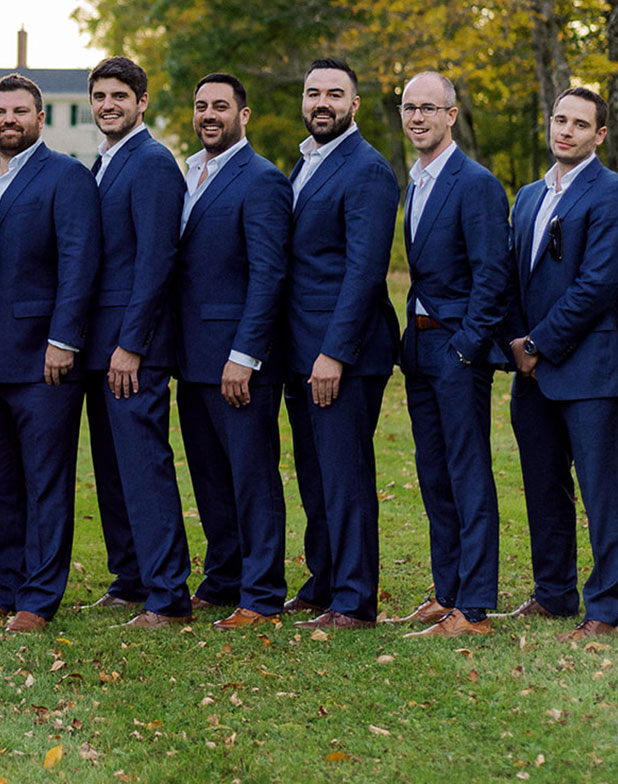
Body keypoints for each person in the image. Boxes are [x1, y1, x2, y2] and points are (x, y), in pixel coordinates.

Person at [0, 74, 101, 634]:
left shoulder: (65, 177)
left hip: (44, 357)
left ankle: (39, 598)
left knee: (45, 480)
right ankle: (7, 584)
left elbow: (79, 263)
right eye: (0, 111)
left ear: (39, 118)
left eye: (20, 111)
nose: (9, 119)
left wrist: (63, 341)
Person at [505, 87, 618, 641]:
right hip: (529, 371)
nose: (566, 131)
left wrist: (538, 346)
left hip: (588, 369)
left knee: (599, 490)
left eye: (579, 124)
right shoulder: (529, 196)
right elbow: (513, 275)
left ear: (599, 135)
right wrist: (517, 341)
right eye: (560, 119)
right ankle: (553, 593)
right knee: (543, 486)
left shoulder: (615, 196)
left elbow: (596, 287)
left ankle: (604, 608)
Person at [391, 71, 513, 639]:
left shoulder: (475, 183)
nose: (417, 117)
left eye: (428, 109)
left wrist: (466, 347)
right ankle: (447, 593)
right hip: (419, 348)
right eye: (409, 108)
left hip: (457, 348)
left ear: (451, 114)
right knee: (434, 474)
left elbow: (493, 276)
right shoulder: (416, 180)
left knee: (467, 474)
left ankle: (477, 608)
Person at [283, 58, 401, 631]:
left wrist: (334, 353)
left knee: (345, 475)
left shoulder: (367, 169)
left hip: (343, 355)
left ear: (354, 104)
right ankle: (324, 581)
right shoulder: (305, 163)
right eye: (313, 93)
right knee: (315, 473)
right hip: (300, 351)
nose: (321, 103)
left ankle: (355, 601)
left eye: (334, 93)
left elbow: (364, 271)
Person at [173, 72, 293, 631]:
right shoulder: (190, 173)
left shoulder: (262, 179)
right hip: (192, 357)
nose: (209, 115)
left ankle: (263, 592)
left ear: (244, 115)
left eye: (221, 106)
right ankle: (222, 579)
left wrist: (245, 355)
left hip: (238, 360)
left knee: (252, 477)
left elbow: (269, 275)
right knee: (211, 478)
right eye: (201, 107)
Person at [79, 56, 193, 628]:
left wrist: (132, 344)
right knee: (113, 467)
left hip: (132, 350)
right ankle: (130, 579)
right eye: (100, 96)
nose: (108, 105)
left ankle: (169, 595)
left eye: (119, 95)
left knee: (144, 466)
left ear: (142, 102)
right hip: (100, 347)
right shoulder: (105, 163)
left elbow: (156, 261)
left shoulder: (151, 163)